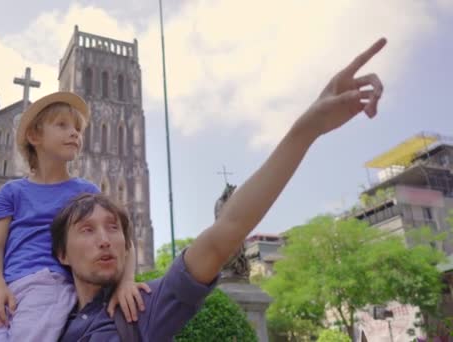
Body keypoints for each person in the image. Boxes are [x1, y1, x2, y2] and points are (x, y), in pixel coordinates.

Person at [37, 38, 386, 341]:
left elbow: (226, 232)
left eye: (114, 227)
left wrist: (306, 129)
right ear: (62, 254)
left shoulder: (142, 310)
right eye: (87, 229)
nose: (105, 238)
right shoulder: (39, 322)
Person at [0, 92, 148, 341]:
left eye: (77, 128)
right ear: (34, 136)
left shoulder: (85, 192)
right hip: (12, 289)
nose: (75, 133)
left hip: (51, 284)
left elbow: (124, 242)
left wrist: (126, 281)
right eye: (62, 125)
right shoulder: (12, 192)